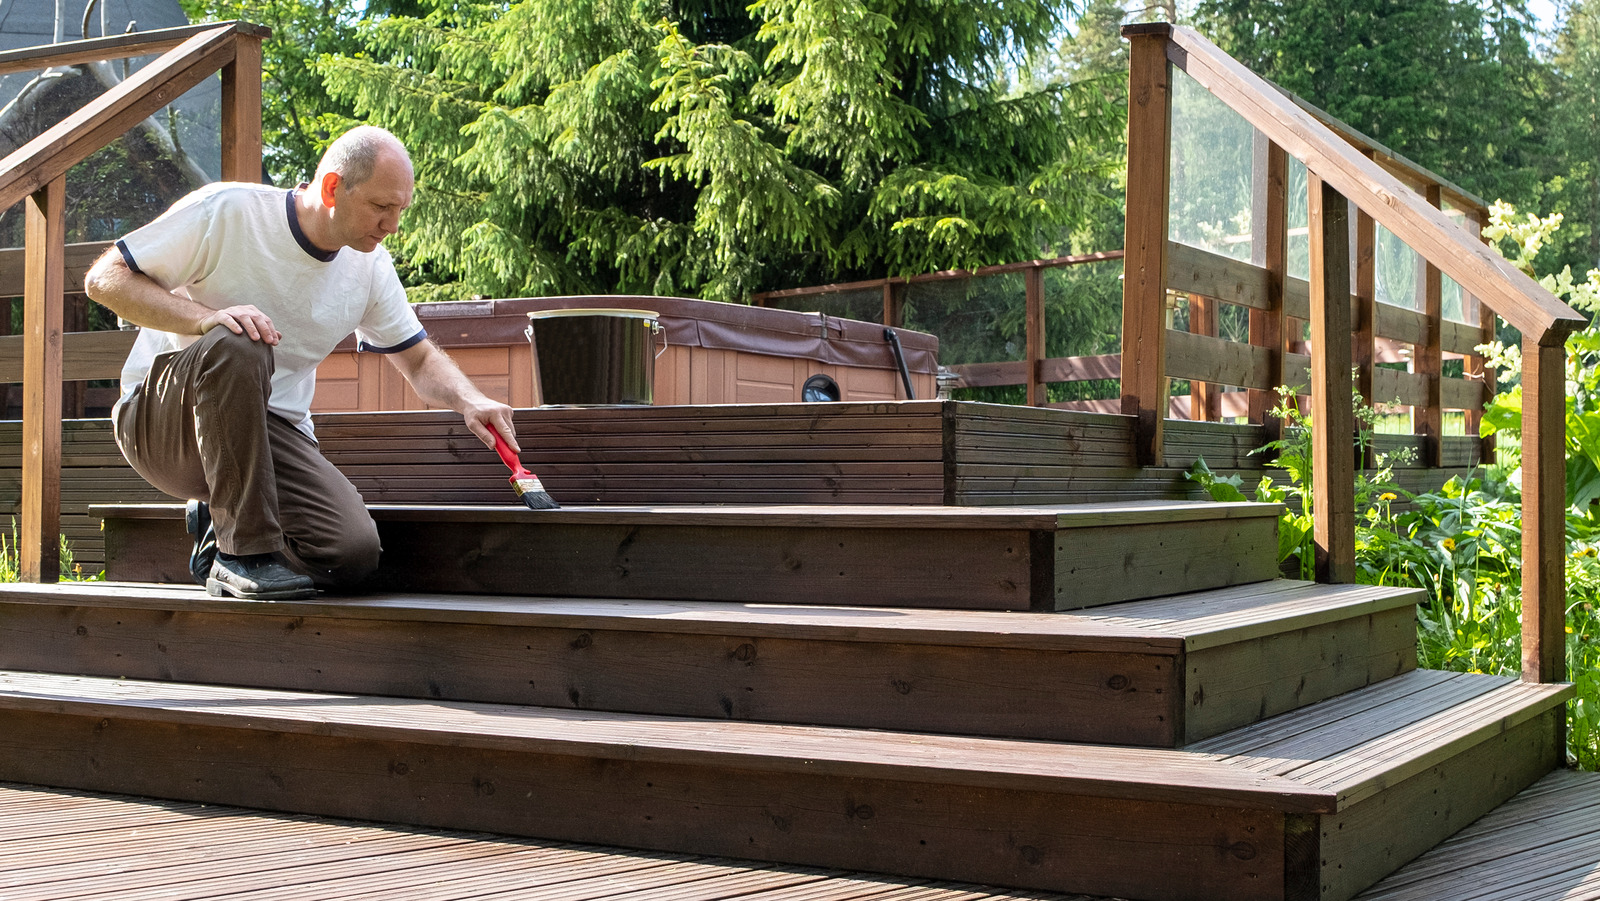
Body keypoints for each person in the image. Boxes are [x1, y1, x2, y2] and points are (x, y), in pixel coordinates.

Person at [84, 125, 520, 601]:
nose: (392, 224)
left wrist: (469, 399)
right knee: (239, 338)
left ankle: (220, 529)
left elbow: (417, 360)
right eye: (380, 207)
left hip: (267, 433)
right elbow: (105, 279)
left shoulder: (369, 268)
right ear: (333, 186)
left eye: (401, 210)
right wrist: (207, 319)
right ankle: (241, 555)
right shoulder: (230, 211)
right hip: (163, 421)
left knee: (349, 554)